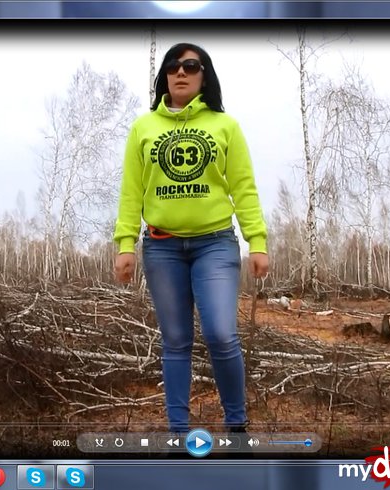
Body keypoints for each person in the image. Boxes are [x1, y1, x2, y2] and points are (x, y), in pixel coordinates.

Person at [113, 43, 269, 435]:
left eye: (191, 65)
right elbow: (131, 192)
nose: (180, 72)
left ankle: (237, 427)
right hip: (162, 248)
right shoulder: (143, 128)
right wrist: (125, 245)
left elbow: (244, 187)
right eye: (173, 65)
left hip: (215, 244)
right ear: (164, 75)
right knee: (177, 340)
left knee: (220, 332)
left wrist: (258, 240)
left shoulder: (225, 126)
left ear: (204, 75)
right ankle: (178, 433)